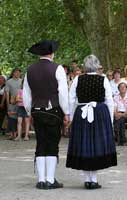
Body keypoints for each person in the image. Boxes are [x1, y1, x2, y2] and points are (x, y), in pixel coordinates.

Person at [23, 40, 70, 190]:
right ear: (51, 53)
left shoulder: (29, 70)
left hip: (36, 110)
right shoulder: (58, 69)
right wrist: (67, 112)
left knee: (41, 143)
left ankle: (41, 180)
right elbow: (63, 93)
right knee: (52, 144)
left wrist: (30, 111)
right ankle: (50, 179)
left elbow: (26, 95)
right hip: (53, 111)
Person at [66, 55, 117, 189]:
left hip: (81, 113)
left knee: (84, 145)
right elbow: (109, 101)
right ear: (97, 65)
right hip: (99, 113)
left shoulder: (77, 79)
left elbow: (71, 99)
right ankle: (93, 179)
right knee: (96, 145)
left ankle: (88, 179)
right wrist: (110, 120)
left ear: (85, 65)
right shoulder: (103, 79)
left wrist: (71, 117)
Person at [5, 68, 22, 140]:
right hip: (12, 101)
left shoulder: (22, 81)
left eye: (19, 72)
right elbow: (7, 93)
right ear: (13, 73)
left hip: (21, 102)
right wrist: (8, 104)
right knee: (12, 118)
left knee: (20, 118)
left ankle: (20, 133)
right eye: (16, 72)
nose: (17, 74)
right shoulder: (9, 82)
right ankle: (12, 133)